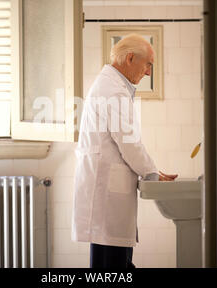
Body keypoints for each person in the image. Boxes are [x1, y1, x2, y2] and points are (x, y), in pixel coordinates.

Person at [72, 34, 178, 268]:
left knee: (113, 265)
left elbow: (122, 143)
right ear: (130, 58)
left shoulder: (111, 85)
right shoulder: (113, 91)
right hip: (106, 197)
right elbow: (129, 144)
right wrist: (152, 173)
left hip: (106, 193)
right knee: (114, 267)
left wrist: (153, 170)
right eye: (148, 64)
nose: (149, 72)